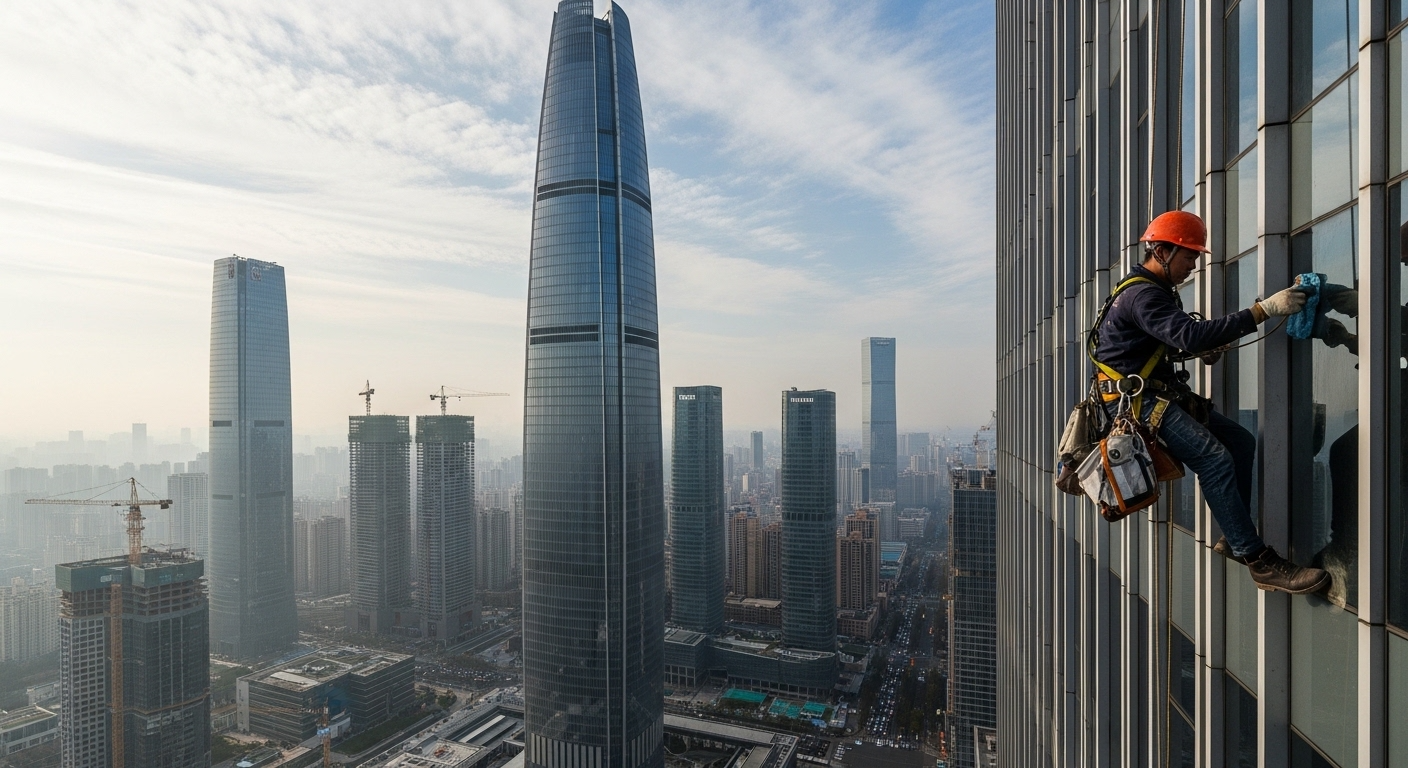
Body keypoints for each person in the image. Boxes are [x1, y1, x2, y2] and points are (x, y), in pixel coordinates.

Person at [1090, 210, 1330, 594]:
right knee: (1214, 458)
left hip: (1149, 394)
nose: (1192, 266)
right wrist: (1263, 310)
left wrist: (1197, 348)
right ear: (1163, 252)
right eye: (1189, 257)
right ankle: (1258, 560)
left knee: (1240, 442)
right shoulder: (1144, 294)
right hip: (1139, 403)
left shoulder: (1150, 290)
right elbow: (1188, 334)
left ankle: (1234, 538)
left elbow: (1163, 341)